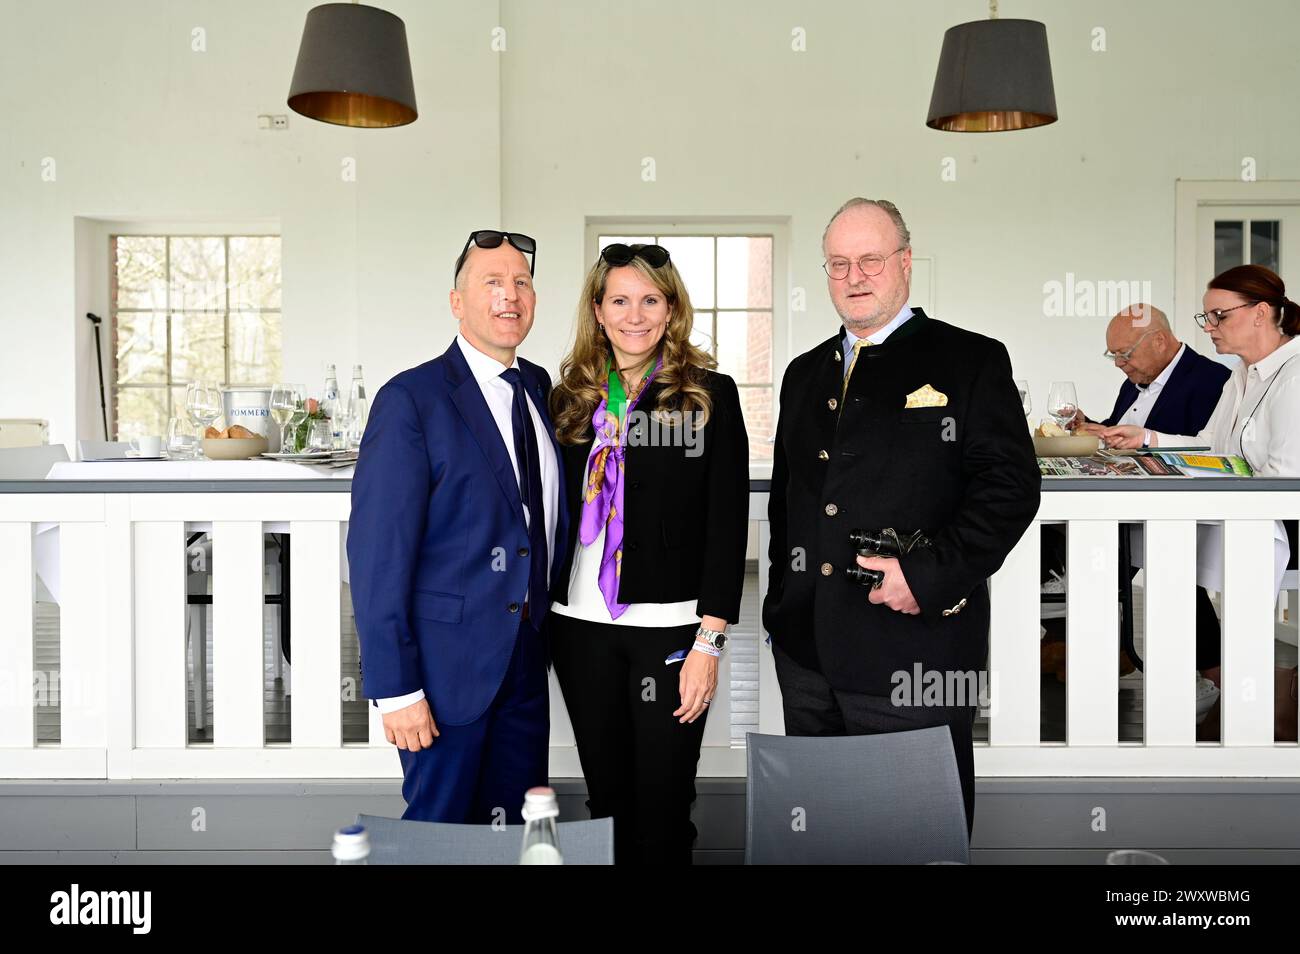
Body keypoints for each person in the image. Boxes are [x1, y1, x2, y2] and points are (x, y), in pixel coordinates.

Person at [763, 198, 1040, 835]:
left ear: (906, 264)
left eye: (870, 260)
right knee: (825, 837)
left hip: (916, 656)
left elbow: (1010, 488)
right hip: (807, 657)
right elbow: (789, 502)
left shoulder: (971, 360)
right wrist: (782, 604)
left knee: (917, 835)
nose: (854, 276)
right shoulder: (804, 374)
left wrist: (927, 576)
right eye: (838, 264)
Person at [347, 229, 568, 822]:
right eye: (491, 282)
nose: (509, 296)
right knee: (438, 838)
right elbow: (377, 557)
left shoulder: (539, 388)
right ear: (457, 302)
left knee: (517, 833)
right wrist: (396, 689)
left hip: (524, 661)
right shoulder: (411, 399)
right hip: (445, 676)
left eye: (520, 282)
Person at [547, 242, 749, 864]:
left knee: (664, 806)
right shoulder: (571, 397)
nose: (635, 315)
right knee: (604, 802)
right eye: (619, 301)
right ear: (599, 312)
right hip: (579, 624)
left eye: (650, 300)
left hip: (670, 624)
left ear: (671, 309)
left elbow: (727, 522)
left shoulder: (708, 395)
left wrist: (708, 644)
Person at [1101, 264, 1300, 738]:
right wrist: (1147, 437)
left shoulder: (1294, 375)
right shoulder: (1241, 376)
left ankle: (1239, 688)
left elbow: (1285, 480)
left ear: (1261, 313)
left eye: (1218, 316)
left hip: (1285, 521)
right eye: (1206, 317)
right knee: (1159, 541)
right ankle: (1214, 683)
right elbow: (1214, 449)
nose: (1208, 328)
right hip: (1247, 507)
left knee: (1164, 540)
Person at [1071, 304, 1230, 437]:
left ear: (1159, 341)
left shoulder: (1213, 381)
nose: (1118, 363)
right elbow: (1117, 429)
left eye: (1125, 353)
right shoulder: (1134, 381)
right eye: (1114, 355)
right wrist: (1084, 423)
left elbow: (1203, 451)